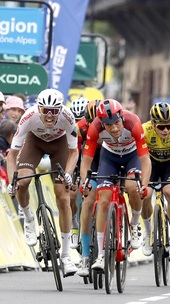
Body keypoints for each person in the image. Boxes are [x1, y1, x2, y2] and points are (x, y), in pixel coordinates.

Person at [6, 88, 79, 276]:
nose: (49, 115)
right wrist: (12, 179)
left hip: (59, 145)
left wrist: (69, 174)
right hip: (34, 143)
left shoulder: (68, 117)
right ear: (38, 109)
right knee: (23, 181)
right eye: (45, 110)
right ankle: (29, 218)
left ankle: (65, 256)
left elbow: (74, 152)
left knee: (63, 197)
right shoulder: (29, 117)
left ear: (60, 110)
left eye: (54, 111)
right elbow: (12, 154)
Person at [80, 99, 151, 271]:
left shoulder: (133, 122)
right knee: (103, 199)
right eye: (109, 125)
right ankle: (101, 254)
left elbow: (146, 161)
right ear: (102, 124)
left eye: (117, 123)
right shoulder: (95, 127)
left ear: (121, 117)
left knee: (132, 186)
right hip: (109, 156)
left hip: (132, 155)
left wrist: (145, 184)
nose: (115, 128)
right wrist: (85, 182)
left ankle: (134, 223)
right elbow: (86, 161)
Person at [141, 102, 170, 262]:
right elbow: (142, 158)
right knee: (146, 195)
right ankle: (148, 233)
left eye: (169, 126)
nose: (166, 130)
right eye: (161, 127)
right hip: (150, 164)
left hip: (169, 164)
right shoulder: (144, 129)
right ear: (153, 124)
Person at [75, 100, 103, 276]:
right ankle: (85, 255)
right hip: (89, 161)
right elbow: (77, 154)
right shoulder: (80, 128)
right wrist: (79, 176)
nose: (94, 127)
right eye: (90, 123)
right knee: (88, 200)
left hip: (109, 160)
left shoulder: (113, 126)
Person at [69, 96, 90, 249]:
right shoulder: (73, 130)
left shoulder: (93, 126)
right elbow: (72, 152)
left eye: (81, 119)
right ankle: (74, 224)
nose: (79, 124)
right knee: (70, 195)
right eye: (75, 119)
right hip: (77, 160)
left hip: (92, 160)